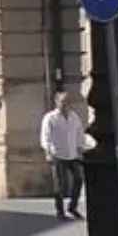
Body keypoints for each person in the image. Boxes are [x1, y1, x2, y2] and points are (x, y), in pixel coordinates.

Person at [39, 90, 86, 219]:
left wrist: (80, 148)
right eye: (62, 102)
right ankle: (60, 211)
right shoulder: (50, 118)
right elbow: (45, 137)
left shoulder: (74, 117)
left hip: (72, 154)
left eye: (67, 102)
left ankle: (72, 207)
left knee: (78, 180)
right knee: (60, 185)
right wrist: (47, 152)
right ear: (57, 102)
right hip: (58, 154)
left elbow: (79, 133)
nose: (65, 104)